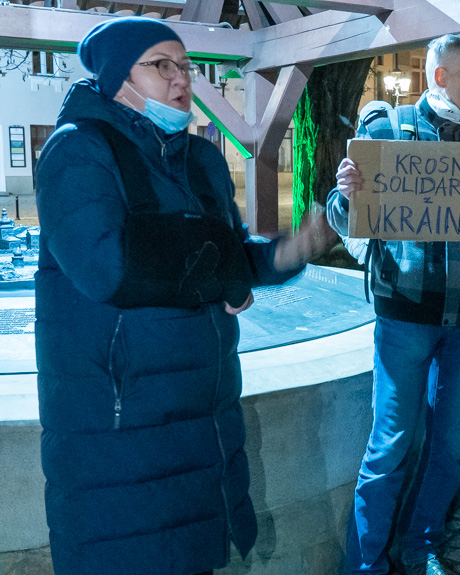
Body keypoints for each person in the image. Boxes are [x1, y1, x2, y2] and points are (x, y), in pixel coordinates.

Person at [34, 17, 333, 575]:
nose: (181, 79)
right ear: (118, 79)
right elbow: (107, 269)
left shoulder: (201, 160)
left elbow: (228, 254)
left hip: (202, 418)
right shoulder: (77, 151)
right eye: (161, 65)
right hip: (119, 426)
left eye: (187, 66)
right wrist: (221, 276)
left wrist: (291, 251)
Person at [327, 33, 460, 575]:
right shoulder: (386, 130)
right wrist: (346, 194)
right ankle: (366, 565)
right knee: (389, 445)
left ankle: (423, 545)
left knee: (449, 442)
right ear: (440, 76)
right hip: (405, 319)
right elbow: (346, 219)